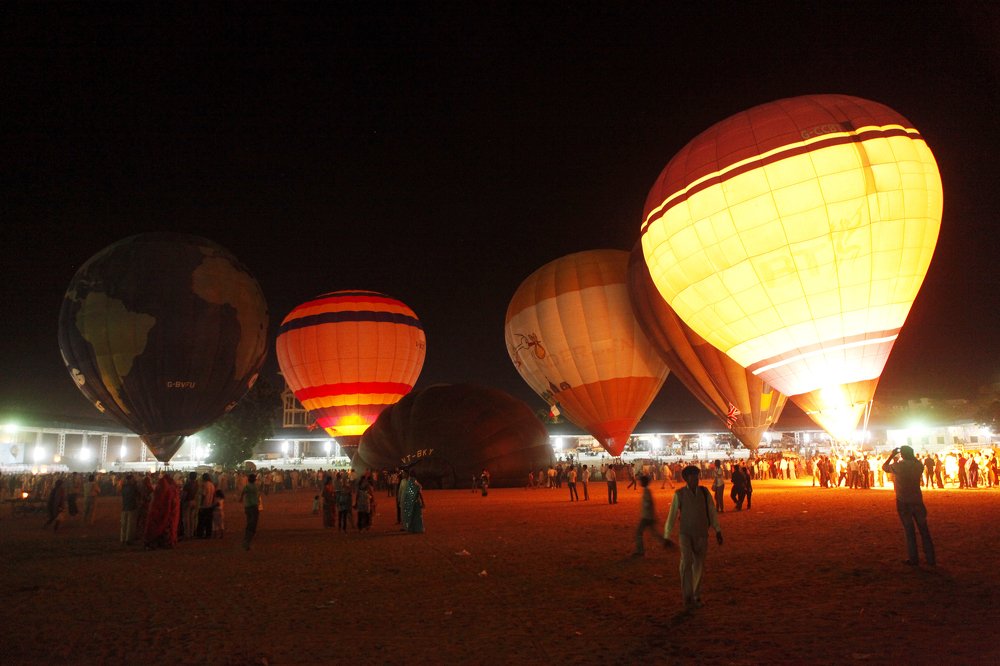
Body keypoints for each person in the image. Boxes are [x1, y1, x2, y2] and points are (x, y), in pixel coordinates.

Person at [663, 465, 724, 611]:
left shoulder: (705, 493)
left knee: (699, 565)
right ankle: (687, 596)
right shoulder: (679, 494)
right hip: (685, 534)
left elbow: (711, 511)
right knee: (686, 562)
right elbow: (671, 516)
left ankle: (695, 595)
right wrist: (666, 535)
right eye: (693, 477)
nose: (696, 479)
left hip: (702, 533)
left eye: (697, 476)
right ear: (686, 479)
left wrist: (718, 530)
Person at [882, 446, 936, 567]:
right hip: (917, 500)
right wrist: (912, 456)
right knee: (924, 530)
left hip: (903, 501)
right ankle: (931, 558)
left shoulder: (898, 466)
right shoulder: (918, 466)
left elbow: (884, 467)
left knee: (909, 531)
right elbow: (918, 463)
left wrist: (892, 455)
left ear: (902, 455)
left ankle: (913, 559)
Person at [143, 473, 180, 549]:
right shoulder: (172, 489)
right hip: (170, 512)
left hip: (162, 512)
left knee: (157, 527)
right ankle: (168, 542)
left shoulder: (164, 488)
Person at [632, 475, 657, 556]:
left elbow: (648, 504)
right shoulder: (647, 490)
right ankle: (665, 542)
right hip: (649, 516)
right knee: (654, 533)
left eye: (641, 481)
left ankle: (640, 551)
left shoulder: (646, 491)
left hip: (646, 516)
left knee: (638, 533)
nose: (640, 482)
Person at [238, 473, 260, 551]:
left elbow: (243, 493)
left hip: (248, 507)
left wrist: (241, 499)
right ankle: (246, 542)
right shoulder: (255, 487)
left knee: (249, 523)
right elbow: (257, 497)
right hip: (254, 506)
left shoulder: (247, 486)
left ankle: (247, 540)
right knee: (252, 525)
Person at [120, 473, 139, 545]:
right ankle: (128, 539)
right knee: (130, 525)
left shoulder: (123, 487)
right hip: (132, 507)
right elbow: (137, 495)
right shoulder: (133, 487)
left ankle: (122, 539)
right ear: (130, 479)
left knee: (124, 524)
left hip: (124, 507)